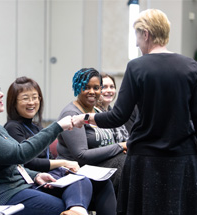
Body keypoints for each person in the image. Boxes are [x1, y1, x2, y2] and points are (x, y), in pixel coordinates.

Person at [72, 9, 197, 215]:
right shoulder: (191, 67)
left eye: (137, 37)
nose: (137, 44)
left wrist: (85, 117)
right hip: (182, 159)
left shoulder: (137, 67)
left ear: (146, 34)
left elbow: (117, 116)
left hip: (145, 160)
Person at [0, 74, 92, 215]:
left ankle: (76, 210)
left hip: (21, 185)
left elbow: (14, 166)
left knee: (81, 180)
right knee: (59, 206)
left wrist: (36, 175)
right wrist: (57, 127)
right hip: (0, 195)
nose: (1, 95)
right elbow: (19, 154)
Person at [4, 76, 117, 214]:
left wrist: (64, 166)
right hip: (34, 181)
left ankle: (77, 209)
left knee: (102, 183)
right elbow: (27, 162)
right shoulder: (12, 127)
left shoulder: (37, 127)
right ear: (13, 102)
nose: (32, 102)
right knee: (80, 180)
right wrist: (64, 163)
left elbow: (48, 156)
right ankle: (77, 210)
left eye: (35, 97)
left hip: (51, 176)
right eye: (25, 98)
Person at [56, 68, 127, 195]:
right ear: (77, 87)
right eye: (86, 87)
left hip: (102, 166)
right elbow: (81, 156)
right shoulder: (71, 113)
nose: (92, 92)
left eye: (96, 88)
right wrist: (119, 147)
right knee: (124, 164)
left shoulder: (98, 112)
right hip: (78, 169)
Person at [95, 73, 129, 143]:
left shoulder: (116, 113)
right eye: (104, 87)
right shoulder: (93, 114)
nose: (109, 90)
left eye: (112, 87)